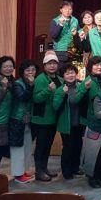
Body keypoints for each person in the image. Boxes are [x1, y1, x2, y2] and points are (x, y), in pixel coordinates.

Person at [31, 51, 61, 181]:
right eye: (49, 63)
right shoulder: (40, 79)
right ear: (44, 65)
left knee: (48, 146)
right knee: (41, 147)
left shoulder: (59, 79)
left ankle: (45, 168)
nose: (52, 66)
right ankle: (39, 171)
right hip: (41, 119)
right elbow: (36, 98)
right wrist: (47, 90)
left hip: (53, 119)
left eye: (54, 63)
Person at [53, 63, 86, 180]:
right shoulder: (60, 89)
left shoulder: (80, 86)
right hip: (66, 124)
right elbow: (55, 106)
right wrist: (63, 93)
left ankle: (75, 168)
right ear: (63, 76)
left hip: (79, 122)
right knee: (68, 147)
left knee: (78, 146)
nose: (70, 75)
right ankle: (66, 171)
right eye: (67, 73)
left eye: (72, 72)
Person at [9, 59, 36, 183]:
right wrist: (30, 86)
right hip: (17, 120)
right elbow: (22, 97)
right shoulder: (17, 84)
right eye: (27, 70)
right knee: (17, 149)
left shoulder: (32, 82)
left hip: (27, 120)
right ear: (22, 72)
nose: (30, 72)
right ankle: (18, 175)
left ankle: (23, 171)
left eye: (33, 70)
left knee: (27, 147)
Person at [49, 1, 78, 68]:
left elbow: (78, 32)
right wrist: (60, 24)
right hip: (60, 51)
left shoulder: (75, 20)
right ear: (61, 10)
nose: (67, 11)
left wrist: (77, 33)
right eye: (65, 9)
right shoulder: (55, 21)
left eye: (70, 9)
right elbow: (53, 35)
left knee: (73, 71)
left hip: (74, 50)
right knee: (61, 71)